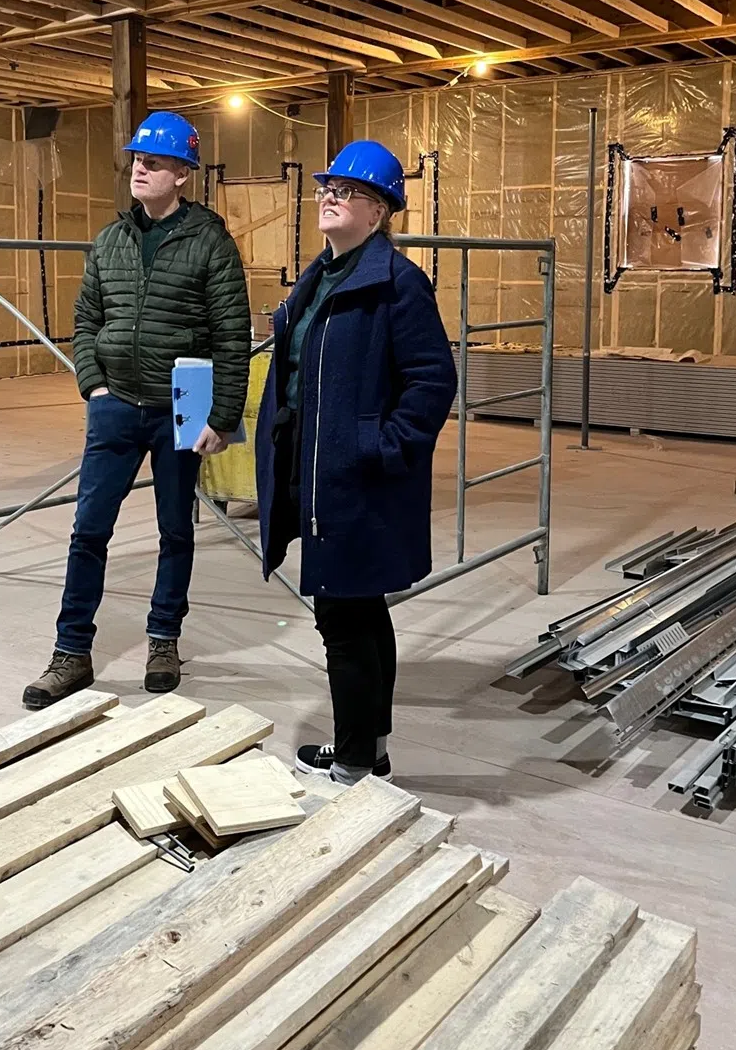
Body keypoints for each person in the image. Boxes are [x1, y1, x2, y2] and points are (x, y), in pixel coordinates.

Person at [24, 111, 250, 708]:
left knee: (175, 529)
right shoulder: (111, 240)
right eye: (137, 161)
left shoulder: (211, 243)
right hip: (116, 406)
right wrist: (93, 385)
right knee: (88, 529)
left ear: (182, 174)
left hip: (180, 409)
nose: (139, 170)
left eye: (153, 162)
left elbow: (232, 335)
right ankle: (71, 652)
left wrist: (222, 417)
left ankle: (163, 641)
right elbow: (85, 319)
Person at [255, 140, 457, 785]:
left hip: (356, 479)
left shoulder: (398, 283)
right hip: (315, 469)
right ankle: (371, 751)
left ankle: (351, 765)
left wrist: (380, 447)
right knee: (362, 611)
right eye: (327, 188)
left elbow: (432, 380)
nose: (330, 198)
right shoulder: (319, 277)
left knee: (343, 618)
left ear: (379, 212)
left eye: (348, 191)